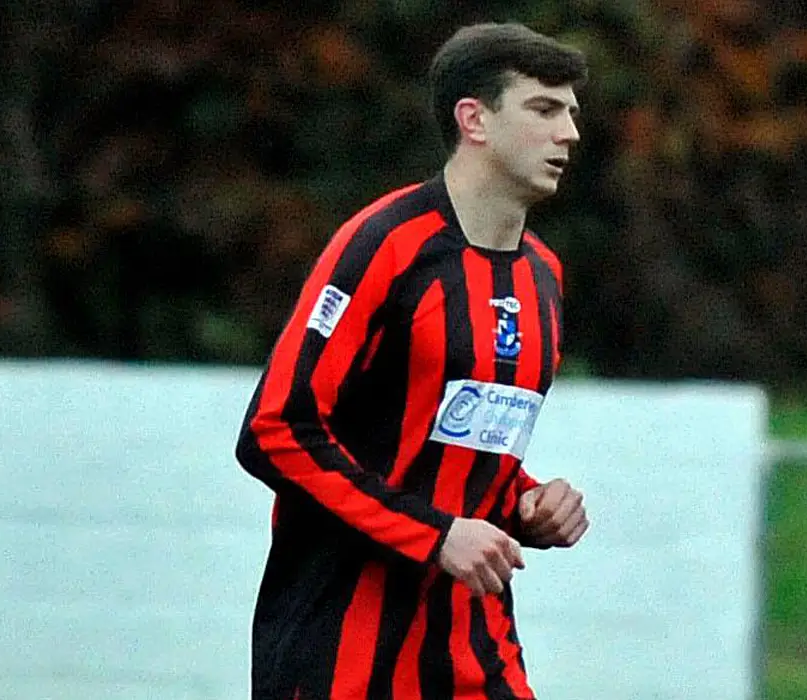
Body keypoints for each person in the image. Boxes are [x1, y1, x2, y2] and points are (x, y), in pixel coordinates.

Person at [235, 21, 590, 700]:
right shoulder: (386, 245)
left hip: (472, 646)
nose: (569, 132)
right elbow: (275, 432)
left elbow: (459, 445)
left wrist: (527, 502)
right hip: (342, 647)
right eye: (544, 109)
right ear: (474, 120)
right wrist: (434, 535)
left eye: (572, 112)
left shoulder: (542, 275)